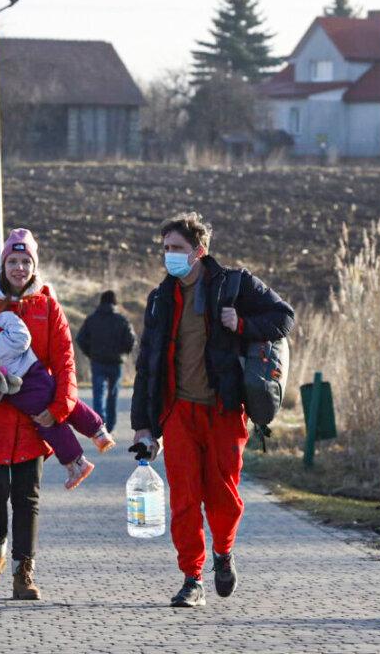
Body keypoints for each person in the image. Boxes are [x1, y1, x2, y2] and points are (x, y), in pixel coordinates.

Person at [129, 212, 294, 608]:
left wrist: (241, 323)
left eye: (178, 249)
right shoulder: (160, 299)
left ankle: (223, 552)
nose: (170, 256)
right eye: (166, 249)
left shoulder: (235, 285)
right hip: (179, 412)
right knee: (185, 500)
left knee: (223, 497)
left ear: (199, 251)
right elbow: (147, 364)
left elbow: (283, 318)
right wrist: (143, 427)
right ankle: (192, 578)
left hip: (224, 409)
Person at [0, 228, 80, 601]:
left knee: (27, 496)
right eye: (12, 261)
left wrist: (59, 407)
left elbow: (65, 360)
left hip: (35, 420)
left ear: (35, 266)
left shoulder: (49, 308)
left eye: (25, 261)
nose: (18, 268)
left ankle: (23, 570)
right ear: (3, 264)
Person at [0, 308, 115, 490]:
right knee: (66, 402)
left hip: (23, 396)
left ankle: (77, 464)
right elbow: (22, 336)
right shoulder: (1, 341)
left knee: (48, 425)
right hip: (39, 376)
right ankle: (98, 431)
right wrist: (6, 317)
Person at [75, 290, 136, 432]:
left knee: (98, 392)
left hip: (98, 361)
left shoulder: (92, 319)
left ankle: (99, 423)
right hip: (116, 362)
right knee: (112, 393)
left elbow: (80, 339)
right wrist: (124, 353)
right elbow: (131, 340)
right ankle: (111, 424)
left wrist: (90, 353)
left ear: (101, 302)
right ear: (115, 302)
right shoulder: (121, 319)